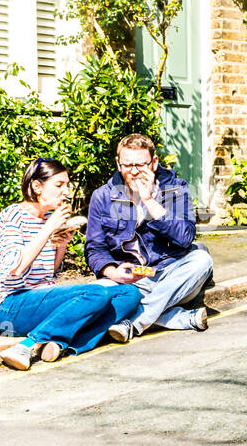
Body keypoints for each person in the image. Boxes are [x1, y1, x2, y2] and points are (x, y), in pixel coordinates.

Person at [0, 158, 144, 371]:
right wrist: (49, 228)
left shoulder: (49, 218)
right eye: (59, 185)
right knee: (98, 294)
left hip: (42, 300)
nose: (66, 192)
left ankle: (58, 344)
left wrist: (61, 244)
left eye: (67, 185)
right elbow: (15, 270)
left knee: (130, 294)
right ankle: (28, 345)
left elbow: (49, 274)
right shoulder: (13, 216)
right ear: (37, 187)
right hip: (9, 308)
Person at [85, 134, 214, 341]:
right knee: (90, 295)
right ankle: (176, 318)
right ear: (118, 164)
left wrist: (149, 200)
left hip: (170, 275)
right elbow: (94, 249)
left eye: (140, 165)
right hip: (129, 282)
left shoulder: (175, 189)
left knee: (201, 259)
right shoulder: (102, 196)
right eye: (128, 165)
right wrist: (113, 272)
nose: (134, 172)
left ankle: (135, 321)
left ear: (153, 163)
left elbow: (185, 238)